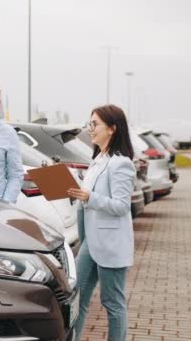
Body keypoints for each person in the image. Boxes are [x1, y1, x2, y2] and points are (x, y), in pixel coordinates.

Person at [67, 105, 135, 341]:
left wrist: (90, 198)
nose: (90, 129)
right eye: (90, 123)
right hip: (90, 243)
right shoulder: (98, 159)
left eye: (95, 124)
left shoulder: (121, 163)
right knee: (77, 297)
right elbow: (89, 200)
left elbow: (121, 206)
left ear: (113, 129)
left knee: (112, 303)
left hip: (110, 245)